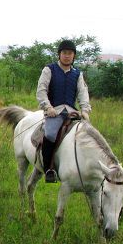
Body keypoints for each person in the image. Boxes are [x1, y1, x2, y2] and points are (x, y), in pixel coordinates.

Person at [36, 39, 92, 183]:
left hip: (72, 112)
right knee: (50, 134)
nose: (67, 56)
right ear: (59, 54)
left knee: (88, 135)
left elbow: (83, 93)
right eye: (64, 53)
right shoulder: (49, 70)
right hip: (54, 111)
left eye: (70, 53)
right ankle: (49, 168)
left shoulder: (77, 74)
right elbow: (41, 90)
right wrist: (48, 107)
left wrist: (85, 110)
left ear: (74, 56)